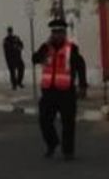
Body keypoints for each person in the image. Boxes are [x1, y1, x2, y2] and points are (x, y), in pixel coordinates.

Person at [33, 18, 88, 160]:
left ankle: (68, 151)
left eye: (59, 32)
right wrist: (45, 46)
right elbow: (35, 59)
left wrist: (82, 86)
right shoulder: (46, 48)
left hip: (66, 92)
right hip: (48, 92)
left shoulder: (72, 49)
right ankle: (52, 143)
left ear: (64, 33)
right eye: (54, 32)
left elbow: (81, 66)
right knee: (44, 120)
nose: (56, 35)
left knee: (68, 123)